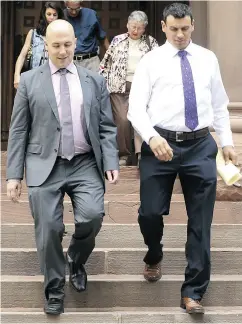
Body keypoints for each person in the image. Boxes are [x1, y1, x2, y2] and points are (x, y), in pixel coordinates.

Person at [128, 2, 237, 314]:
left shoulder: (207, 59)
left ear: (192, 26)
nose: (179, 34)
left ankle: (193, 292)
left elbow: (219, 103)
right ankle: (153, 253)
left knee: (201, 222)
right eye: (173, 28)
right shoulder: (151, 61)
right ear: (163, 26)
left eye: (185, 29)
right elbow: (136, 108)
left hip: (200, 145)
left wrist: (226, 141)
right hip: (159, 143)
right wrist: (152, 137)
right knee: (149, 213)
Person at [6, 19, 119, 315]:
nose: (63, 51)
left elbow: (106, 126)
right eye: (56, 45)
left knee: (92, 217)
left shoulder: (93, 80)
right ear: (46, 45)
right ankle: (55, 288)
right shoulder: (31, 80)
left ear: (75, 43)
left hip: (84, 162)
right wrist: (14, 175)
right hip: (45, 163)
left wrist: (110, 160)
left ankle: (77, 260)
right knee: (49, 228)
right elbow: (18, 130)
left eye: (68, 44)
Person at [100, 11, 158, 166]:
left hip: (142, 86)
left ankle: (142, 155)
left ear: (144, 28)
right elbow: (105, 64)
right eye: (133, 26)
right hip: (118, 86)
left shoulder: (151, 43)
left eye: (139, 28)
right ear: (127, 25)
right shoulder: (118, 40)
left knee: (141, 118)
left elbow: (159, 66)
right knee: (123, 120)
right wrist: (103, 82)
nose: (135, 31)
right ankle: (124, 155)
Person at [13, 1, 64, 89]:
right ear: (44, 15)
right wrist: (16, 75)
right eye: (49, 14)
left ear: (58, 16)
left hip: (55, 81)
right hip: (35, 79)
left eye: (54, 15)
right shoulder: (33, 34)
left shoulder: (62, 35)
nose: (51, 17)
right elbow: (22, 56)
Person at [64, 1, 109, 72]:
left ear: (81, 5)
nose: (74, 12)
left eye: (77, 9)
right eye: (70, 9)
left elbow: (102, 37)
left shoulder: (91, 14)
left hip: (91, 60)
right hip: (70, 61)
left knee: (96, 82)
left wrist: (111, 57)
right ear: (65, 4)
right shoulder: (61, 16)